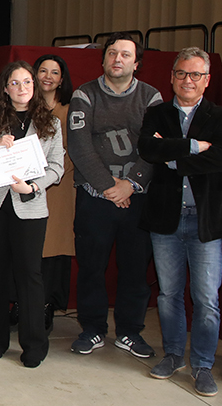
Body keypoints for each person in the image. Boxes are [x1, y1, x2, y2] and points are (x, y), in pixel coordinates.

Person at [137, 48, 222, 396]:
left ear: (207, 81)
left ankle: (203, 365)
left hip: (205, 222)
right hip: (166, 220)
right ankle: (174, 355)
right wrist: (194, 147)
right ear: (172, 77)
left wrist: (174, 158)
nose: (188, 80)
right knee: (168, 294)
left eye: (195, 75)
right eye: (181, 73)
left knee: (206, 298)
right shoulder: (156, 113)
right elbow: (148, 150)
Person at [67, 32, 162, 357]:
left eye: (125, 54)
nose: (117, 59)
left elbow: (154, 147)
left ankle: (130, 332)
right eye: (112, 54)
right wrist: (110, 187)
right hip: (95, 198)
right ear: (104, 59)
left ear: (136, 62)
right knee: (91, 267)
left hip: (137, 198)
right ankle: (92, 329)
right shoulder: (85, 94)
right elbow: (80, 147)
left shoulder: (151, 98)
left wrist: (130, 184)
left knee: (135, 269)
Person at [0, 61, 64, 368]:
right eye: (15, 83)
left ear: (34, 87)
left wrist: (33, 186)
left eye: (27, 82)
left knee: (29, 275)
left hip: (29, 206)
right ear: (5, 89)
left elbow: (57, 169)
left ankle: (34, 344)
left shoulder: (50, 122)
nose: (22, 88)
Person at [34, 54, 75, 330]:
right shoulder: (23, 104)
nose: (48, 76)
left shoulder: (70, 110)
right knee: (29, 247)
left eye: (54, 72)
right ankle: (23, 304)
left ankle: (48, 304)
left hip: (60, 186)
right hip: (23, 187)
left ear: (62, 79)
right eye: (43, 70)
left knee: (53, 247)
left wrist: (50, 174)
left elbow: (75, 150)